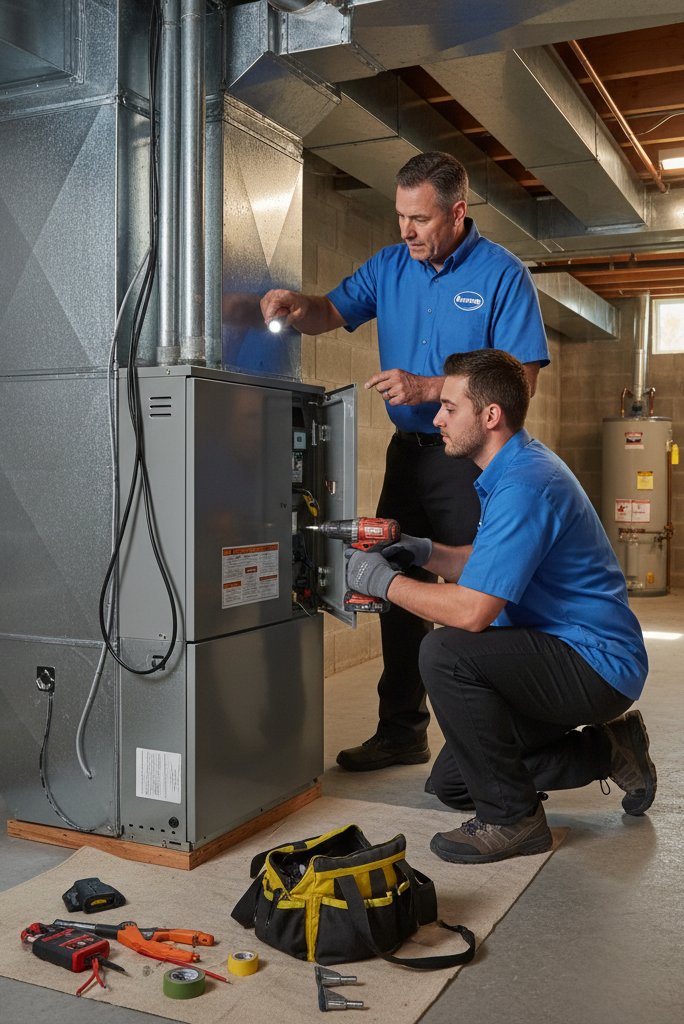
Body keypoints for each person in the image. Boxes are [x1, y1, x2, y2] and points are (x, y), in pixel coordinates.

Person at [260, 152, 550, 772]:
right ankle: (402, 732)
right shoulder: (390, 266)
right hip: (407, 458)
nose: (406, 231)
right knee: (394, 584)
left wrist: (428, 388)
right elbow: (330, 311)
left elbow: (519, 382)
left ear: (457, 212)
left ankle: (499, 743)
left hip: (470, 461)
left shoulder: (503, 275)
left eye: (419, 219)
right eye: (400, 217)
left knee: (481, 596)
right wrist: (293, 305)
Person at [343, 349, 655, 864]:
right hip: (555, 651)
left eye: (448, 407)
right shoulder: (511, 468)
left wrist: (382, 582)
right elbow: (485, 565)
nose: (436, 418)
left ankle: (514, 821)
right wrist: (424, 550)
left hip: (594, 664)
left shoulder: (526, 485)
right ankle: (610, 751)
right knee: (452, 781)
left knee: (445, 651)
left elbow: (471, 611)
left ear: (490, 416)